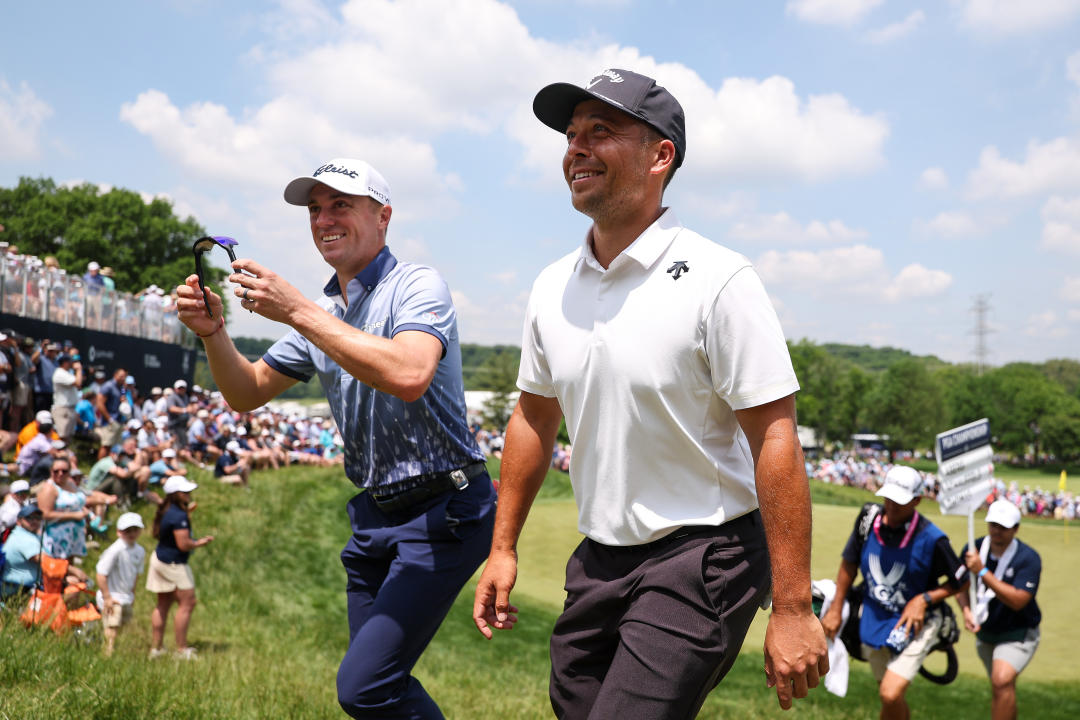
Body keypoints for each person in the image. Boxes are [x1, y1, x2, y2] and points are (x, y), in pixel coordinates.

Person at [472, 68, 827, 719]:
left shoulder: (721, 279)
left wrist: (794, 605)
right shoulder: (552, 286)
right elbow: (532, 415)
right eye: (571, 136)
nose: (575, 149)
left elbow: (774, 436)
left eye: (599, 133)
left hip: (704, 556)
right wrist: (502, 546)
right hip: (598, 559)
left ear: (661, 155)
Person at [174, 156, 495, 719]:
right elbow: (246, 392)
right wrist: (215, 333)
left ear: (383, 216)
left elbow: (408, 374)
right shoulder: (324, 314)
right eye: (315, 209)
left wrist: (297, 310)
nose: (324, 219)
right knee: (373, 696)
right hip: (374, 516)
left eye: (341, 205)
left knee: (364, 687)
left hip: (445, 511)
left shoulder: (416, 285)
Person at [820, 465, 968, 720]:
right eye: (888, 497)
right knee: (889, 696)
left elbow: (961, 581)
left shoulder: (933, 538)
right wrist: (835, 608)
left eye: (900, 501)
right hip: (875, 618)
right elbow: (849, 563)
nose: (891, 505)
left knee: (889, 693)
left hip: (917, 623)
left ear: (917, 501)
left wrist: (925, 599)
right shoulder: (868, 519)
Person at [955, 499, 1041, 720]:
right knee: (1001, 687)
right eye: (993, 524)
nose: (997, 531)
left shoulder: (1028, 558)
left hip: (1018, 632)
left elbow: (1018, 600)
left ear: (1016, 529)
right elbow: (959, 587)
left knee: (1001, 680)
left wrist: (982, 572)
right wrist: (965, 610)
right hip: (986, 632)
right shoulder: (973, 549)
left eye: (1003, 527)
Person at [146, 476, 212, 660]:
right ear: (176, 494)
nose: (189, 494)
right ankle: (182, 650)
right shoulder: (178, 515)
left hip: (160, 559)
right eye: (185, 492)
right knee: (188, 603)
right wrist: (199, 543)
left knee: (163, 603)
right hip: (174, 563)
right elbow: (183, 544)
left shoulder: (168, 510)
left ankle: (156, 649)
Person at [95, 511, 147, 656]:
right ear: (119, 532)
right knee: (112, 626)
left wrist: (133, 594)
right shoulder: (115, 550)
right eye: (127, 530)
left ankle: (117, 652)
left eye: (135, 530)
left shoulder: (139, 551)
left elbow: (136, 574)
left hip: (126, 596)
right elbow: (101, 574)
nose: (131, 533)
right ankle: (108, 653)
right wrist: (107, 597)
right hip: (112, 595)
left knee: (123, 626)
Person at [1, 503, 44, 600]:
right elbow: (45, 561)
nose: (34, 521)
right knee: (73, 586)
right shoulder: (23, 538)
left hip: (27, 587)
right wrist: (72, 570)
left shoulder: (29, 535)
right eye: (29, 518)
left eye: (37, 518)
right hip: (18, 591)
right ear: (19, 521)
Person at [51, 351, 84, 442]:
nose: (72, 363)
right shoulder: (59, 373)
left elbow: (78, 384)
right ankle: (59, 455)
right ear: (65, 362)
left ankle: (65, 455)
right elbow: (78, 383)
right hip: (62, 409)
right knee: (62, 437)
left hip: (69, 409)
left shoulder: (67, 373)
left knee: (68, 437)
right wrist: (79, 370)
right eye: (70, 361)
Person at [95, 368, 127, 458]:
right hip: (109, 421)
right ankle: (101, 468)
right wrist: (109, 419)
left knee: (114, 447)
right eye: (121, 376)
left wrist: (123, 399)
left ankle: (110, 468)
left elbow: (122, 396)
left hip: (119, 420)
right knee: (106, 445)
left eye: (125, 376)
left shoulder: (121, 388)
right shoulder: (108, 386)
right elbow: (99, 403)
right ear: (115, 375)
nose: (123, 378)